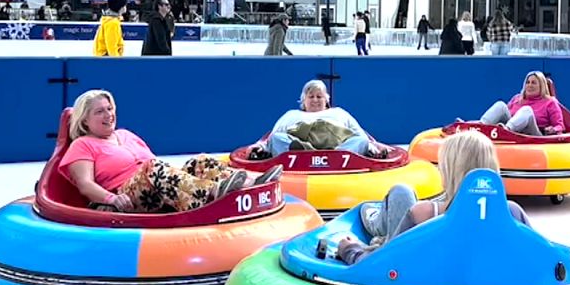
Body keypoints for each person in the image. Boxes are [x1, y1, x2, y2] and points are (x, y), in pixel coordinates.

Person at [334, 131, 532, 265]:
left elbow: (385, 267)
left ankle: (375, 221)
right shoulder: (513, 212)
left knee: (400, 193)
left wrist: (351, 250)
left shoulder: (425, 214)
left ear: (451, 170)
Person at [59, 90, 275, 212]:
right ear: (84, 121)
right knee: (152, 168)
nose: (109, 115)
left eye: (110, 108)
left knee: (198, 162)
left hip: (153, 185)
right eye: (100, 112)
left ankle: (251, 184)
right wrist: (110, 199)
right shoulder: (82, 144)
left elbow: (156, 165)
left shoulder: (126, 134)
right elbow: (85, 185)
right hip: (125, 197)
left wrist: (187, 174)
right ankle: (215, 193)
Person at [250, 80, 374, 158]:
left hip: (336, 149)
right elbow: (271, 137)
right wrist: (261, 147)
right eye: (311, 96)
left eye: (319, 96)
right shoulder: (291, 115)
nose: (315, 100)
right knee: (277, 138)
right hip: (300, 150)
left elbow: (361, 135)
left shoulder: (339, 113)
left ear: (326, 100)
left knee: (360, 140)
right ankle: (303, 152)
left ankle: (337, 155)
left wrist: (373, 148)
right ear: (304, 100)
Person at [477, 71, 565, 136]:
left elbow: (560, 126)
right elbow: (504, 115)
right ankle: (479, 126)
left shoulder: (550, 102)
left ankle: (506, 130)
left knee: (526, 110)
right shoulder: (517, 98)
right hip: (514, 130)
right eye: (527, 82)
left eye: (533, 83)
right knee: (501, 105)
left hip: (533, 135)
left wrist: (553, 129)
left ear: (541, 86)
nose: (529, 85)